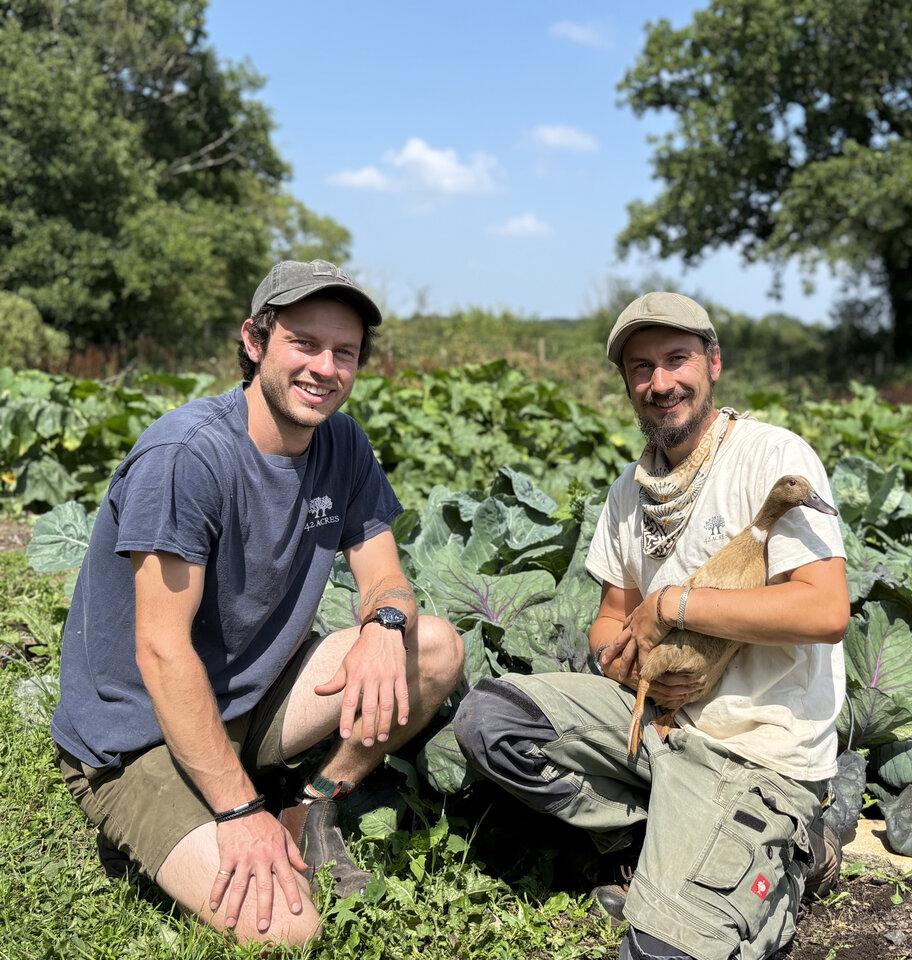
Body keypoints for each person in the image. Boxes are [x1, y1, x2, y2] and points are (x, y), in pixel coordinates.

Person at [51, 259, 464, 946]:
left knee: (435, 646)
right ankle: (179, 814)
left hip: (249, 699)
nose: (324, 368)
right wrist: (239, 811)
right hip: (138, 735)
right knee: (290, 930)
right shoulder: (188, 457)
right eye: (304, 343)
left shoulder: (342, 444)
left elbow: (386, 577)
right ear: (255, 340)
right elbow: (160, 650)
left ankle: (310, 807)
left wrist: (386, 623)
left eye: (345, 353)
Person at [454, 291, 849, 960]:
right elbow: (612, 616)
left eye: (676, 359)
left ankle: (789, 858)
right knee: (490, 721)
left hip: (754, 751)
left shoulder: (771, 458)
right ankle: (648, 838)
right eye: (642, 367)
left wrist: (675, 606)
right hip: (655, 729)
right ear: (627, 382)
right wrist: (622, 660)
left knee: (662, 951)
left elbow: (825, 610)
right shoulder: (628, 492)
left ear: (713, 363)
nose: (661, 382)